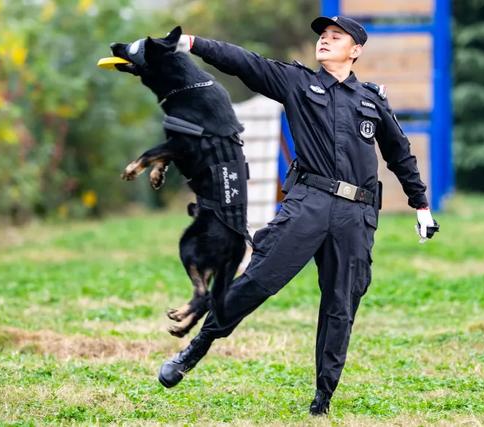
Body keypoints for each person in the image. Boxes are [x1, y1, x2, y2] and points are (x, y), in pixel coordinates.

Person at [156, 16, 439, 415]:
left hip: (356, 216)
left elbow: (399, 153)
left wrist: (421, 204)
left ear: (355, 50)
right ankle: (193, 351)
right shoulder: (297, 83)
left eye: (335, 37)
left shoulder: (372, 101)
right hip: (309, 204)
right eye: (322, 36)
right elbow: (245, 62)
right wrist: (190, 43)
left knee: (341, 305)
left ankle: (322, 402)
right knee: (255, 283)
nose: (324, 40)